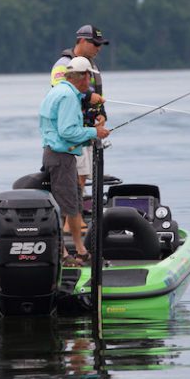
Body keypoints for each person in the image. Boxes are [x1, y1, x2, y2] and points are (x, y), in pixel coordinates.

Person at [40, 57, 110, 266]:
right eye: (89, 75)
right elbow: (67, 131)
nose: (90, 79)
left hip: (59, 155)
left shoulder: (59, 91)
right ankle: (62, 255)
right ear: (82, 76)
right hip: (60, 156)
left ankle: (80, 250)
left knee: (73, 203)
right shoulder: (68, 97)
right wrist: (94, 132)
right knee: (64, 206)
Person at [49, 25, 109, 228]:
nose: (98, 48)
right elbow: (61, 89)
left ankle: (75, 218)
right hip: (72, 130)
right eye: (95, 44)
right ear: (82, 41)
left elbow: (97, 96)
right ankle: (69, 221)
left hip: (88, 128)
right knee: (74, 176)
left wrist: (101, 114)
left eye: (100, 45)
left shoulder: (91, 65)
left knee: (82, 175)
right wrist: (87, 96)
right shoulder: (62, 64)